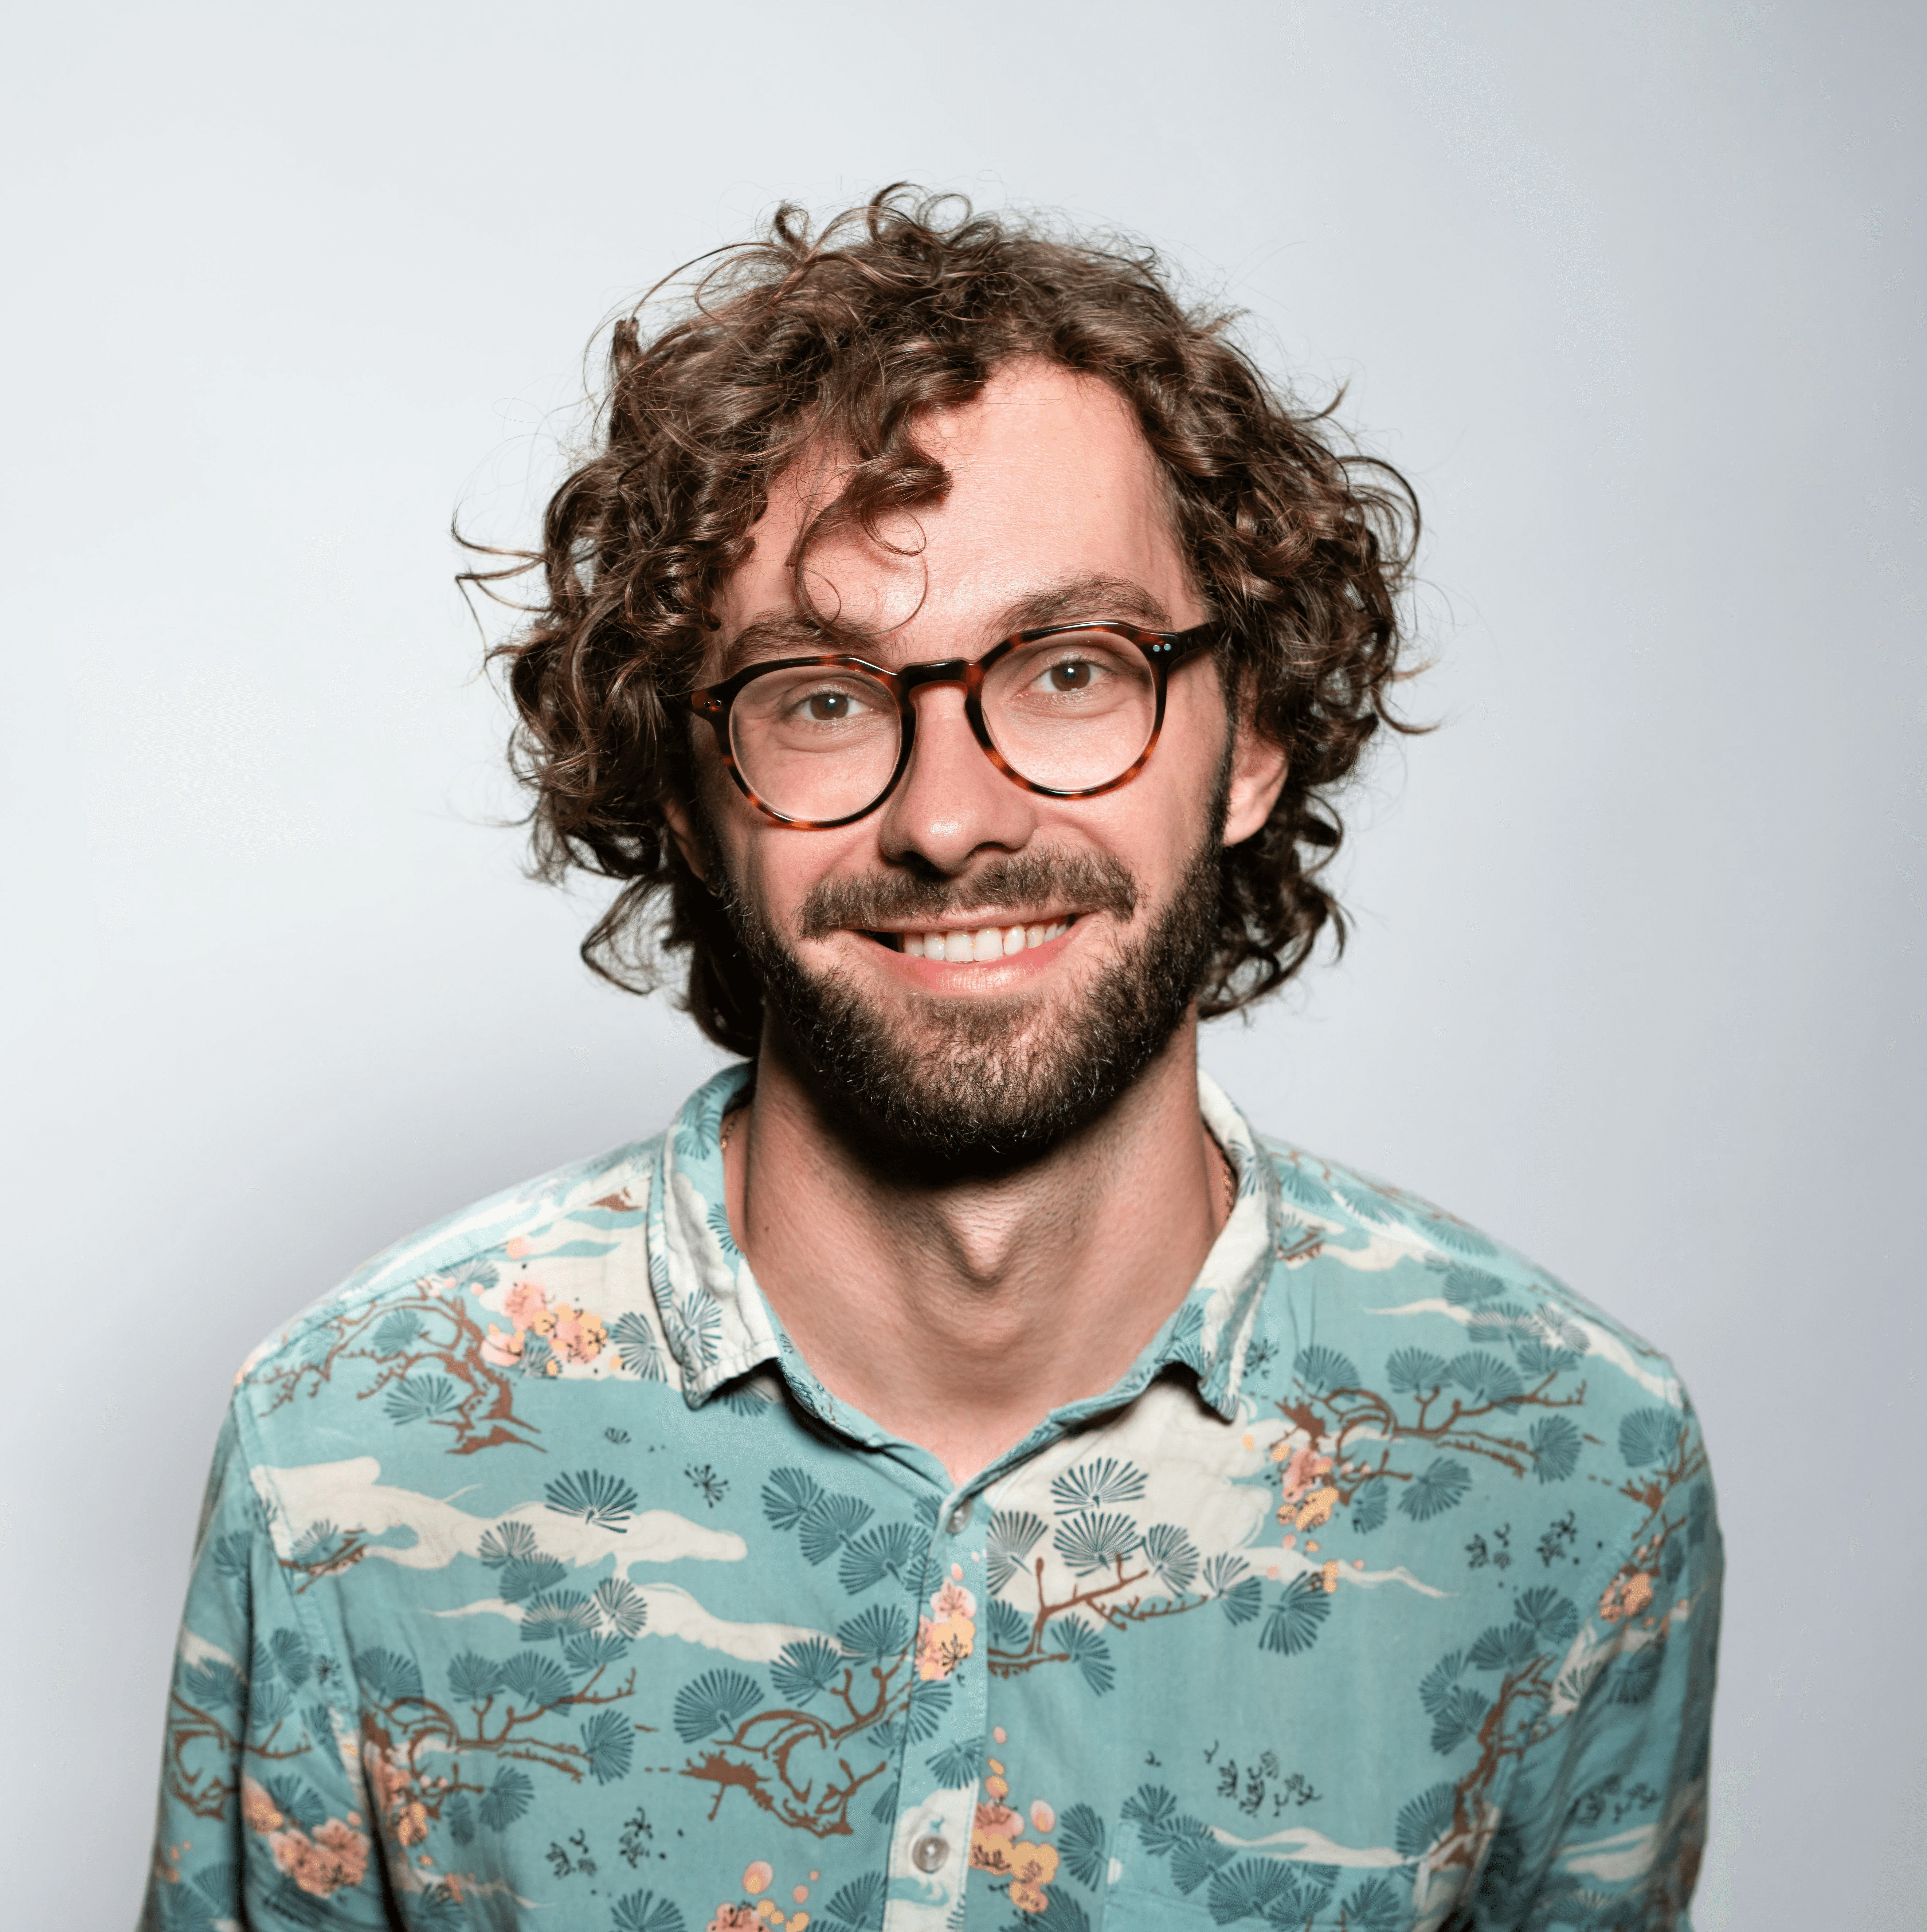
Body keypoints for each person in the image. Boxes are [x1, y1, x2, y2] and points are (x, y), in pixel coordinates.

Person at [142, 189, 1719, 1932]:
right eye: (819, 697)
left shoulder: (1571, 1468)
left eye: (1070, 668)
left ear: (1251, 734)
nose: (951, 820)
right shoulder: (351, 1451)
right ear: (685, 794)